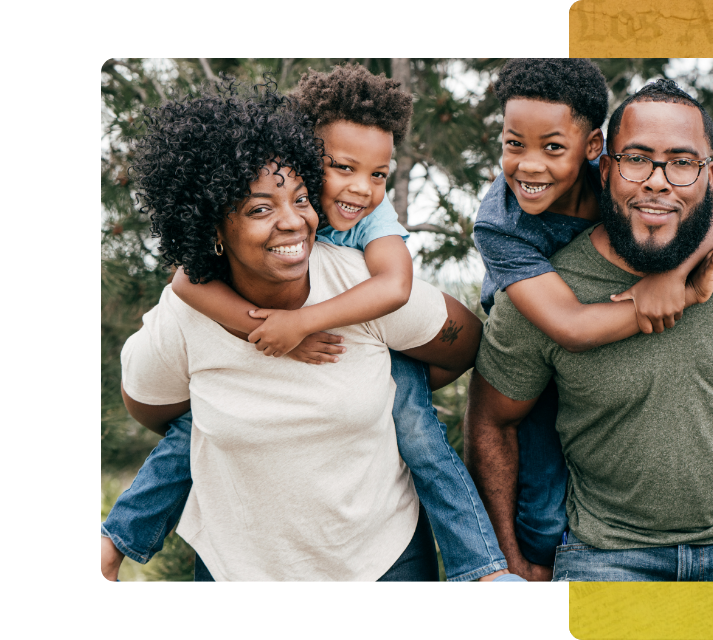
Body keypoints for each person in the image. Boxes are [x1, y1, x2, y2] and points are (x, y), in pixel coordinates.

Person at [102, 77, 489, 582]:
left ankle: (481, 566)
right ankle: (115, 542)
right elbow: (178, 304)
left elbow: (439, 324)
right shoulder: (188, 309)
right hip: (237, 563)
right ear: (213, 226)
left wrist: (341, 353)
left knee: (417, 428)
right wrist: (267, 336)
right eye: (261, 208)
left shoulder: (360, 262)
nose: (293, 222)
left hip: (379, 556)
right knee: (194, 427)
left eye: (300, 199)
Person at [465, 79, 713, 582]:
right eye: (637, 159)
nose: (658, 181)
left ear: (710, 174)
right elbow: (492, 422)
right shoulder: (539, 287)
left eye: (682, 163)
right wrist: (508, 562)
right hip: (605, 556)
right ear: (604, 169)